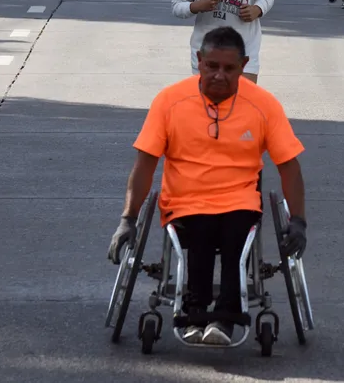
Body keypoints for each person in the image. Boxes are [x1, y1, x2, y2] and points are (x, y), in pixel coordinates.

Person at [108, 25, 307, 346]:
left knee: (235, 234)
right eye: (212, 66)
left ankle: (225, 317)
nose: (219, 75)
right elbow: (145, 164)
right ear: (199, 61)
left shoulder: (263, 104)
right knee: (200, 228)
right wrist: (127, 219)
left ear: (243, 66)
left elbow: (289, 167)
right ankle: (194, 310)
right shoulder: (170, 100)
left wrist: (298, 221)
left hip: (240, 201)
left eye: (229, 68)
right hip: (185, 200)